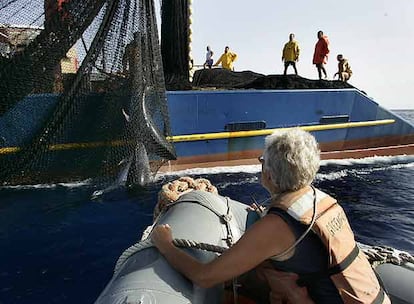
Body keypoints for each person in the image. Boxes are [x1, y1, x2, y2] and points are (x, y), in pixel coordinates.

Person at [152, 128, 390, 304]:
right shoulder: (322, 200)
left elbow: (205, 277)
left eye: (263, 161)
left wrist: (166, 246)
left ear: (271, 174)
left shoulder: (276, 226)